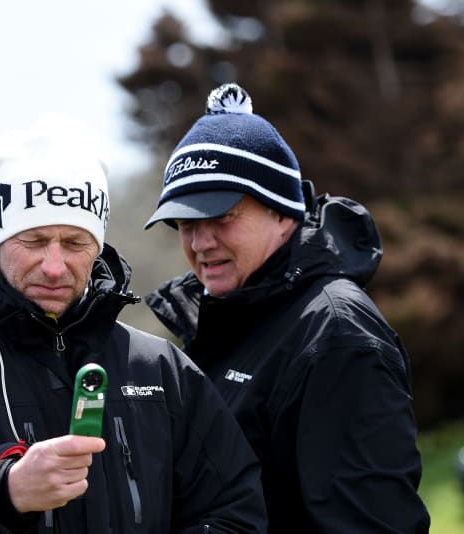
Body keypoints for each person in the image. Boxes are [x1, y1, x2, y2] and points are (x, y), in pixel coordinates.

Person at [0, 112, 268, 533]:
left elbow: (236, 512)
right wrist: (5, 490)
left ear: (98, 247)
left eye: (74, 243)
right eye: (34, 240)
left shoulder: (160, 368)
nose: (54, 266)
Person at [143, 83, 430, 533]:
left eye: (221, 217)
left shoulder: (336, 335)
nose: (200, 243)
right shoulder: (227, 322)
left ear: (282, 211)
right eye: (185, 224)